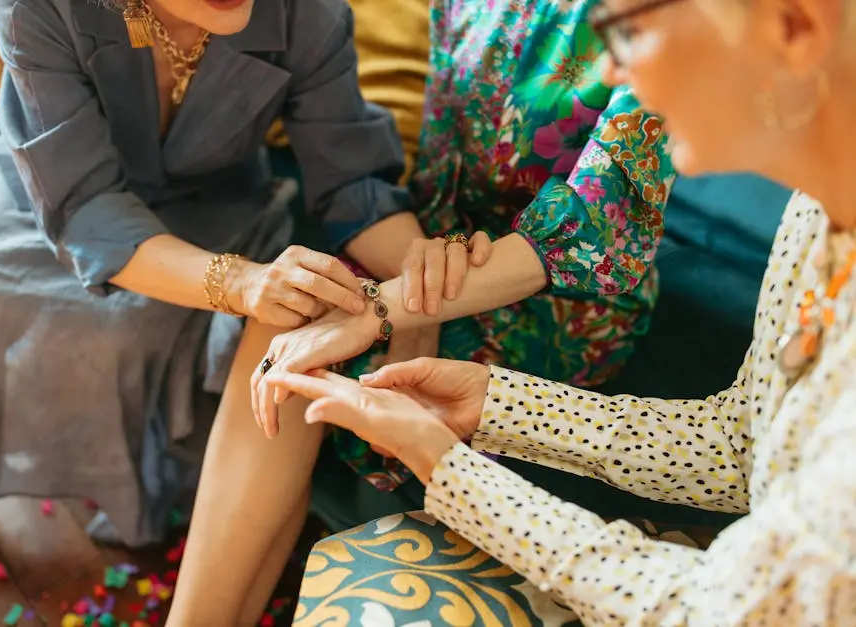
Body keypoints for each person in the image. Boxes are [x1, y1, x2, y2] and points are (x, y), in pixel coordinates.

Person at [268, 0, 856, 623]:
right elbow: (737, 445)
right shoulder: (817, 213)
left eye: (630, 30)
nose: (610, 70)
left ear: (797, 26)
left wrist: (449, 471)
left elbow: (718, 610)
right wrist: (494, 403)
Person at [0, 0, 449, 623]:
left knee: (294, 323)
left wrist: (420, 278)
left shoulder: (307, 12)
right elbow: (83, 205)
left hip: (213, 199)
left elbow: (353, 182)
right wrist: (240, 282)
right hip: (47, 186)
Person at [172, 0, 675, 621]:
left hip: (558, 290)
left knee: (312, 349)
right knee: (290, 314)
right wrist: (415, 277)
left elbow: (595, 225)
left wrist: (395, 308)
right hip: (429, 246)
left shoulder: (661, 18)